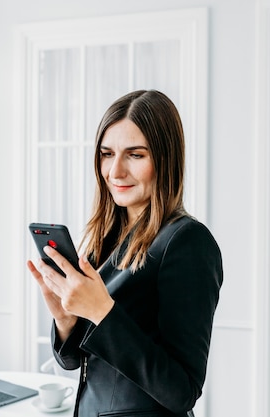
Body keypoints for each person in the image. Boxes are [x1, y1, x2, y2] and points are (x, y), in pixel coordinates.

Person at [27, 90, 223, 417]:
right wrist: (65, 319)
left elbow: (182, 391)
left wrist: (103, 312)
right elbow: (75, 360)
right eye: (107, 154)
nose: (115, 171)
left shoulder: (188, 242)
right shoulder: (104, 240)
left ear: (165, 159)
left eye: (135, 155)